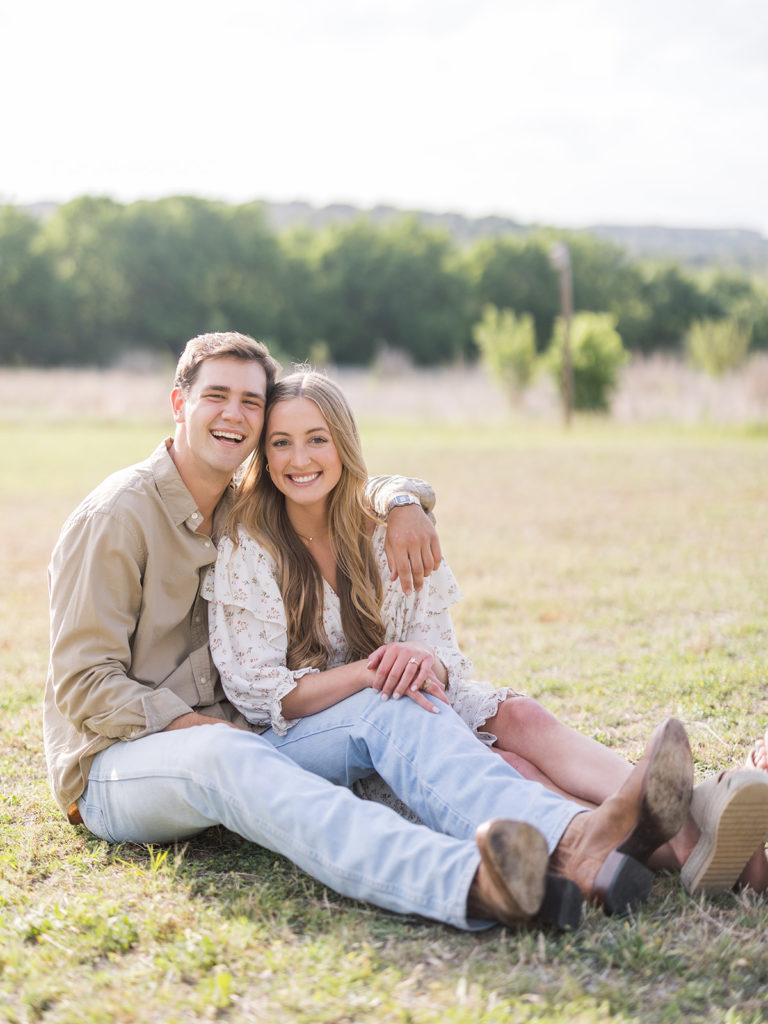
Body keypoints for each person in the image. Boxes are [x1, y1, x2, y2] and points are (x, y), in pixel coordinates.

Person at [44, 331, 692, 933]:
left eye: (249, 401)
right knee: (231, 754)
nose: (234, 415)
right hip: (117, 765)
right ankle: (470, 882)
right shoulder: (117, 516)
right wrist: (201, 729)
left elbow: (328, 480)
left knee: (399, 706)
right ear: (179, 402)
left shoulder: (231, 502)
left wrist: (400, 497)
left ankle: (575, 842)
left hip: (244, 738)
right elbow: (83, 687)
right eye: (217, 396)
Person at [204, 367, 700, 926]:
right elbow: (262, 695)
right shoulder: (250, 546)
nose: (300, 459)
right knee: (501, 762)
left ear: (344, 444)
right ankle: (647, 847)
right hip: (311, 735)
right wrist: (370, 673)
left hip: (402, 701)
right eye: (281, 443)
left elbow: (439, 649)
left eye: (317, 439)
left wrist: (423, 657)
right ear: (264, 458)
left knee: (519, 715)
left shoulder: (384, 529)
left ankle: (692, 833)